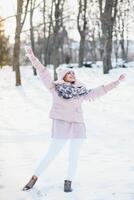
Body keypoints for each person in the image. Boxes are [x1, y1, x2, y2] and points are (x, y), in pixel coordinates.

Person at [22, 47, 125, 192]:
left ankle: (68, 183)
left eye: (73, 72)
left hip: (77, 125)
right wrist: (33, 57)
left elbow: (96, 92)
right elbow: (43, 73)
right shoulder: (55, 88)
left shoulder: (80, 91)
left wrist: (115, 83)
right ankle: (33, 178)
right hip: (61, 124)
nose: (71, 74)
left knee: (73, 156)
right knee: (51, 154)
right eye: (68, 72)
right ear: (63, 76)